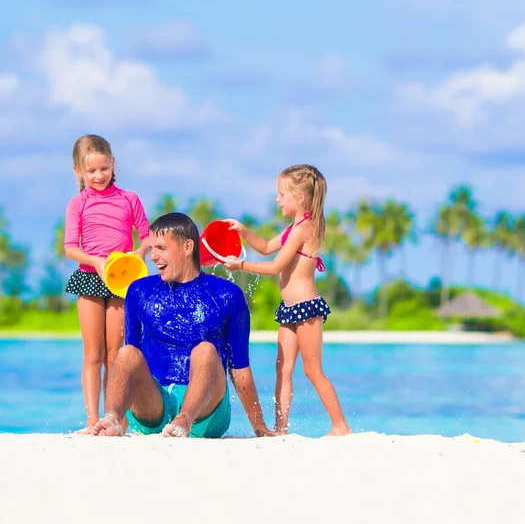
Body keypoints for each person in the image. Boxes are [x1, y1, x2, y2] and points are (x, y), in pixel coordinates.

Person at [93, 212, 272, 439]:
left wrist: (260, 428)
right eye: (151, 249)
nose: (153, 257)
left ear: (188, 247)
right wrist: (120, 414)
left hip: (206, 412)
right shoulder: (138, 292)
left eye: (161, 248)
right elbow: (130, 368)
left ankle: (184, 419)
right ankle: (111, 421)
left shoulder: (228, 295)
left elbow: (239, 368)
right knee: (127, 353)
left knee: (205, 350)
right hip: (154, 406)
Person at [223, 164, 352, 437]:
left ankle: (340, 425)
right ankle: (281, 428)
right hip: (289, 310)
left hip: (306, 308)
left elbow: (274, 266)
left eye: (282, 194)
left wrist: (241, 266)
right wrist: (243, 231)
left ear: (300, 197)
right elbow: (267, 247)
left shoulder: (305, 229)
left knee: (313, 370)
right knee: (283, 370)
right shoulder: (293, 228)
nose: (278, 199)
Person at [64, 134, 150, 434]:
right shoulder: (77, 204)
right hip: (90, 278)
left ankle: (117, 419)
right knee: (93, 354)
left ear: (113, 164)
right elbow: (70, 248)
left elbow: (147, 235)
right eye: (91, 171)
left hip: (120, 282)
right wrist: (97, 262)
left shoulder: (129, 199)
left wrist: (138, 254)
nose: (99, 176)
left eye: (104, 168)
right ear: (78, 171)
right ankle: (91, 420)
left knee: (116, 353)